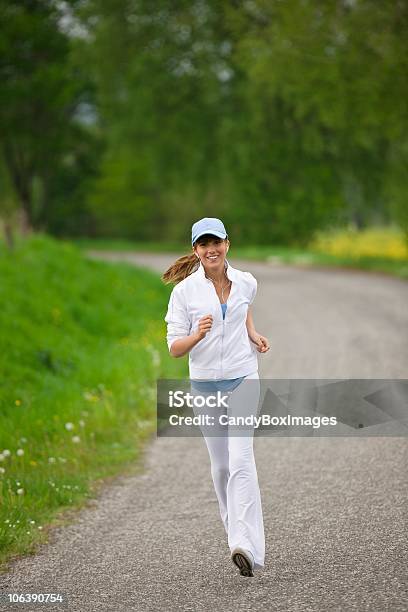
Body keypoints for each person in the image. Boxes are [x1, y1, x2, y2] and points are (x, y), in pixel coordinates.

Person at [162, 217, 270, 577]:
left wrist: (253, 334)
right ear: (195, 250)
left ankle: (246, 545)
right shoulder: (184, 293)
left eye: (217, 242)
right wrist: (198, 335)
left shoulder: (247, 282)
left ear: (227, 244)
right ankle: (235, 536)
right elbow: (175, 349)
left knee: (241, 460)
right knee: (222, 467)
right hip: (205, 385)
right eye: (203, 244)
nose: (211, 249)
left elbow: (242, 309)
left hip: (243, 377)